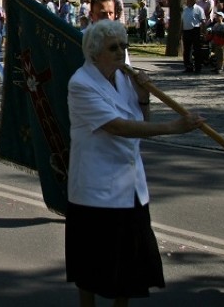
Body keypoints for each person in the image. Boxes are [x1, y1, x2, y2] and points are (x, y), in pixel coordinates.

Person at [66, 20, 204, 305]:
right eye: (113, 47)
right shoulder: (81, 83)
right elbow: (118, 127)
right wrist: (174, 127)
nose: (120, 52)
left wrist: (143, 98)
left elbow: (141, 122)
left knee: (129, 267)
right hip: (96, 188)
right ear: (94, 52)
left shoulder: (124, 78)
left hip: (131, 186)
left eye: (123, 46)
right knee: (90, 265)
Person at [181, 0, 206, 74]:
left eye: (188, 0)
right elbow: (183, 21)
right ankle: (188, 66)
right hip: (186, 31)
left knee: (196, 49)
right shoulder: (185, 9)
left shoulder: (199, 9)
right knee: (187, 50)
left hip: (195, 30)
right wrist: (181, 31)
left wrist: (203, 31)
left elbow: (203, 21)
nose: (187, 1)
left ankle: (198, 67)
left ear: (193, 1)